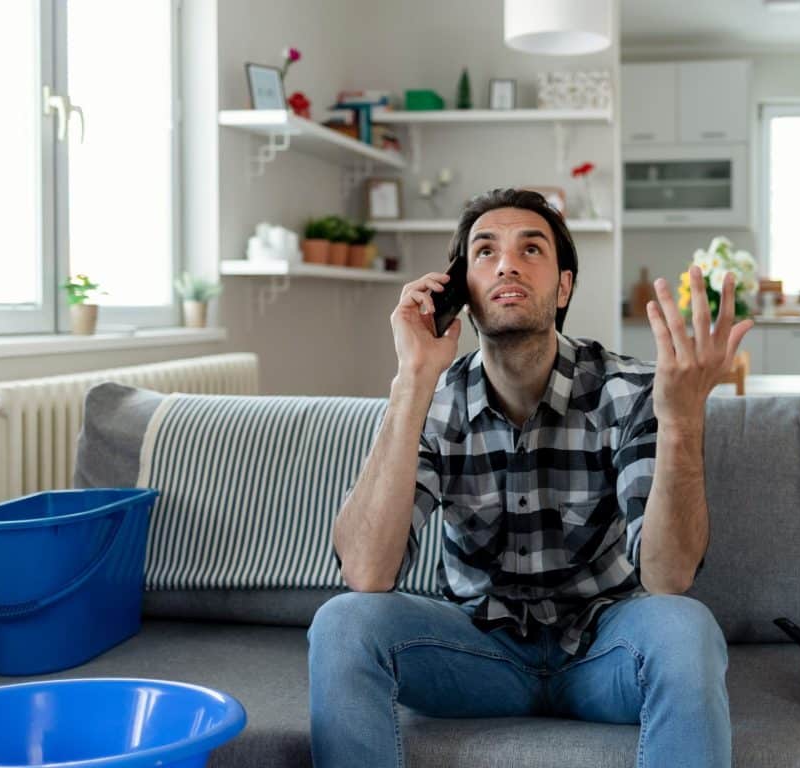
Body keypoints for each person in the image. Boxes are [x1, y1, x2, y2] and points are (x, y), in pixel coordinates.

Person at [308, 187, 754, 768]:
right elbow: (366, 571)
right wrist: (412, 379)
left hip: (605, 652)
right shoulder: (432, 400)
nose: (507, 264)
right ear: (459, 288)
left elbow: (669, 576)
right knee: (343, 623)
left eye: (531, 249)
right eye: (485, 252)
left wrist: (681, 419)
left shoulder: (630, 392)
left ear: (563, 285)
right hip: (477, 655)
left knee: (686, 626)